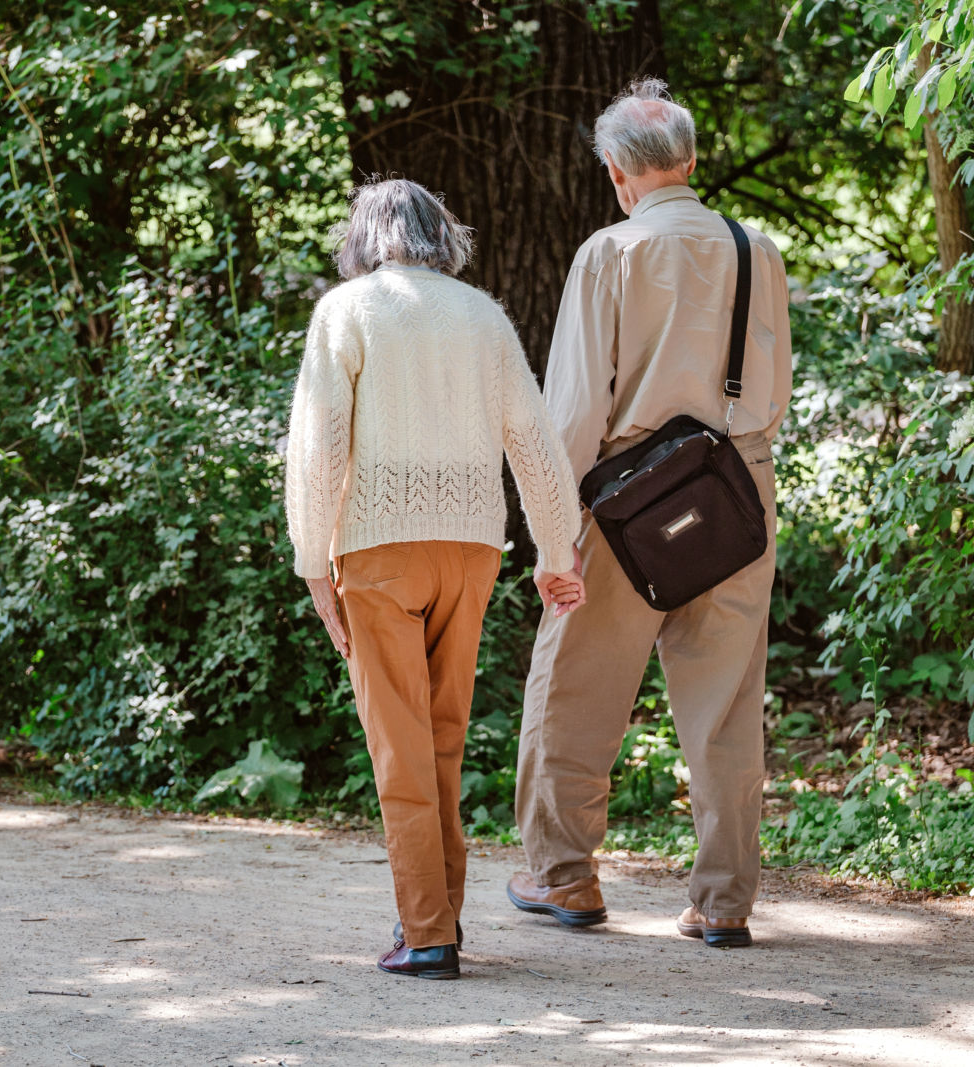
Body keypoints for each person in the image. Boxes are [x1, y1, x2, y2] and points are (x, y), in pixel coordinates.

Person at [508, 79, 794, 948]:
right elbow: (775, 385)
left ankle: (564, 877)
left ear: (615, 172)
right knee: (726, 706)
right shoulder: (761, 251)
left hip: (626, 503)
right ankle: (722, 902)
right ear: (693, 161)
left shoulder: (610, 253)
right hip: (738, 494)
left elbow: (571, 413)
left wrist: (552, 537)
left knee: (575, 691)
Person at [285, 178, 585, 979]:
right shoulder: (481, 314)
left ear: (364, 235)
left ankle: (425, 935)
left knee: (399, 750)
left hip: (380, 549)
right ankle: (437, 919)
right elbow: (533, 439)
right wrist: (558, 553)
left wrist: (314, 562)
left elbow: (320, 448)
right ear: (439, 234)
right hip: (471, 549)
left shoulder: (347, 311)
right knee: (442, 739)